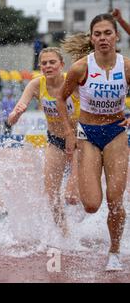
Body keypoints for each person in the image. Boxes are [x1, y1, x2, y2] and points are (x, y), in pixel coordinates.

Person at [58, 14, 130, 271]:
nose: (103, 38)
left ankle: (114, 251)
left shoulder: (126, 66)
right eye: (97, 34)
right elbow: (60, 97)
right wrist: (68, 130)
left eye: (107, 33)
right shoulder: (81, 67)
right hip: (88, 133)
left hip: (116, 134)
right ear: (91, 38)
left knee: (115, 199)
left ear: (116, 36)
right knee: (91, 205)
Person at [8, 47, 81, 236]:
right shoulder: (35, 85)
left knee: (74, 195)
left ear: (61, 65)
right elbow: (13, 116)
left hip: (80, 141)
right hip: (56, 141)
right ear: (40, 66)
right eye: (44, 63)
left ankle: (91, 217)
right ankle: (66, 233)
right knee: (51, 194)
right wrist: (16, 114)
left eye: (52, 62)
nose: (48, 66)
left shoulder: (73, 82)